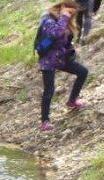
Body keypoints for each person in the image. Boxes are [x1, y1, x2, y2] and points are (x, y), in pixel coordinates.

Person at [37, 1, 89, 132]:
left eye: (72, 13)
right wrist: (64, 17)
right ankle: (45, 121)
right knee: (49, 90)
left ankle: (72, 101)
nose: (70, 15)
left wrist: (70, 52)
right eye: (68, 11)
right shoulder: (47, 20)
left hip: (60, 59)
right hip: (47, 60)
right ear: (61, 7)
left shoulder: (65, 21)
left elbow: (65, 40)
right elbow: (55, 34)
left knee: (83, 72)